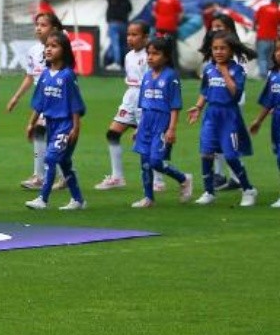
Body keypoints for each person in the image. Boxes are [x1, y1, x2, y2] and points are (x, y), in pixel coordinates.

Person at [188, 31, 257, 206]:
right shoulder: (209, 69)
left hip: (229, 116)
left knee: (231, 156)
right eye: (215, 48)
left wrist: (225, 72)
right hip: (211, 115)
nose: (218, 52)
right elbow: (205, 91)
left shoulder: (237, 70)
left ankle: (248, 189)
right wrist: (198, 107)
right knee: (206, 154)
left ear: (231, 50)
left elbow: (235, 94)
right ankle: (209, 191)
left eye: (222, 48)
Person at [24, 30, 87, 211]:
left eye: (54, 46)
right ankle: (78, 200)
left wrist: (75, 127)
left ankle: (43, 199)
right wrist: (31, 123)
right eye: (47, 46)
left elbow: (75, 104)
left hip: (65, 125)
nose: (48, 50)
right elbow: (39, 103)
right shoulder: (44, 75)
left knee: (51, 158)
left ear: (64, 50)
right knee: (65, 164)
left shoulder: (67, 76)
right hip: (51, 124)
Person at [131, 36, 194, 208]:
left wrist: (171, 129)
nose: (150, 57)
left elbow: (175, 106)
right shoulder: (146, 76)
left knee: (155, 162)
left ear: (166, 56)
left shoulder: (171, 77)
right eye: (149, 53)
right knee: (144, 162)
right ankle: (148, 198)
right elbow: (144, 105)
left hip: (162, 122)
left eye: (155, 54)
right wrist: (138, 127)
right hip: (146, 123)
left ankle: (183, 178)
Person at [6, 12, 67, 191]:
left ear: (54, 29)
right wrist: (16, 97)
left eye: (43, 25)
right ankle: (51, 176)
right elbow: (30, 77)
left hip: (58, 99)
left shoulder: (62, 49)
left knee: (46, 133)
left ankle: (45, 176)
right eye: (37, 25)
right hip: (43, 99)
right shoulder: (34, 51)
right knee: (43, 133)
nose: (38, 28)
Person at [95, 20, 149, 191]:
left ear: (146, 37)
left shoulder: (150, 56)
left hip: (145, 99)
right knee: (112, 133)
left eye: (135, 35)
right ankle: (117, 177)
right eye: (128, 35)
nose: (130, 38)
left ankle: (158, 180)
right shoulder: (128, 56)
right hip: (130, 97)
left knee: (146, 140)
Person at [248, 38, 280, 207]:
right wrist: (258, 121)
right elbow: (268, 102)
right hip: (277, 123)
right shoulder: (273, 76)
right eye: (278, 50)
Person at [103, 0, 132, 71]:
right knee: (123, 44)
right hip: (124, 24)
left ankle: (117, 63)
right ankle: (124, 63)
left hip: (114, 23)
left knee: (115, 43)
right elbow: (130, 9)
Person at [254, 0, 280, 79]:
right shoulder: (278, 12)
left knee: (262, 57)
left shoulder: (262, 8)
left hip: (262, 37)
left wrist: (255, 28)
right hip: (272, 39)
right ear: (277, 3)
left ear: (271, 1)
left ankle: (263, 75)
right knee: (269, 58)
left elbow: (256, 20)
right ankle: (271, 74)